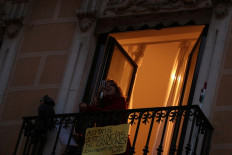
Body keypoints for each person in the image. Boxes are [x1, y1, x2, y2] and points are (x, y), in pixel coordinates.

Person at [79, 79, 131, 155]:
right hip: (106, 140)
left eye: (111, 85)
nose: (108, 86)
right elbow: (100, 110)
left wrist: (88, 108)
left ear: (116, 89)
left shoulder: (120, 100)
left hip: (117, 139)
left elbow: (107, 112)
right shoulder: (103, 102)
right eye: (106, 85)